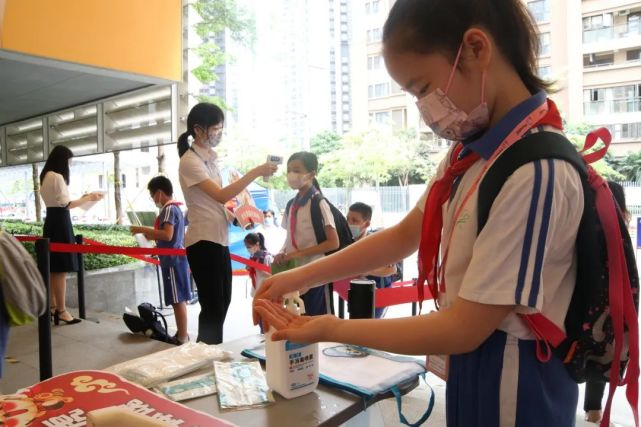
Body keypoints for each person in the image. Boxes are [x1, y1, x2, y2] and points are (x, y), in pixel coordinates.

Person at [254, 0, 584, 425]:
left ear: (476, 49)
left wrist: (329, 327)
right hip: (476, 366)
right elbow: (405, 234)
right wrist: (297, 276)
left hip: (517, 381)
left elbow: (463, 328)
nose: (424, 109)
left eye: (422, 87)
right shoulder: (469, 155)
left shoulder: (536, 169)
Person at [177, 102, 278, 344]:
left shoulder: (210, 160)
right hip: (203, 241)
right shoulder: (190, 161)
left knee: (222, 302)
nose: (219, 134)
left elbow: (215, 201)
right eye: (216, 129)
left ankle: (208, 352)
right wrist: (255, 172)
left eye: (221, 129)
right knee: (213, 306)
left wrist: (236, 216)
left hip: (217, 238)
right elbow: (221, 195)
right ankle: (206, 354)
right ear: (199, 130)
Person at [583, 181, 631, 424]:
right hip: (614, 296)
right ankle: (594, 410)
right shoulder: (618, 222)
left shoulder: (590, 220)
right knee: (605, 351)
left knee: (599, 350)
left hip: (604, 294)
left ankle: (594, 409)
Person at [40, 145, 103, 325]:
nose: (69, 165)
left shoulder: (45, 176)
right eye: (69, 162)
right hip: (61, 223)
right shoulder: (57, 176)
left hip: (51, 221)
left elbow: (60, 202)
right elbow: (66, 204)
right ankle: (62, 310)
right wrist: (89, 198)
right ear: (62, 160)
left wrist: (84, 197)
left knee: (53, 268)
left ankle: (53, 307)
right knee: (61, 269)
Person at [274, 152, 339, 316]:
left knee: (316, 320)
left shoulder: (319, 203)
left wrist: (299, 253)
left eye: (296, 170)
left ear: (311, 174)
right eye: (289, 170)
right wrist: (283, 252)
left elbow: (333, 242)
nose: (291, 175)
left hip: (316, 274)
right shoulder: (291, 205)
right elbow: (290, 237)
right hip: (295, 273)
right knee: (296, 318)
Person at [130, 176, 191, 345]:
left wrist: (142, 229)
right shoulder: (176, 208)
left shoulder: (169, 209)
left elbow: (167, 234)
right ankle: (182, 334)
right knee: (179, 299)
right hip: (175, 259)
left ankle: (181, 337)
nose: (152, 198)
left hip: (172, 261)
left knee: (177, 300)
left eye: (152, 194)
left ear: (159, 193)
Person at [347, 202, 397, 318]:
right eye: (348, 219)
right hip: (356, 292)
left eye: (354, 221)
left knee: (369, 326)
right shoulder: (347, 243)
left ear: (367, 224)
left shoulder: (376, 243)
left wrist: (368, 271)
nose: (349, 224)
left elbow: (392, 270)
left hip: (379, 294)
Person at [244, 232, 273, 333]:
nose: (248, 249)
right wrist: (250, 267)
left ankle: (267, 335)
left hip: (266, 292)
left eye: (249, 246)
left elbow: (274, 273)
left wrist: (260, 268)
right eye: (246, 247)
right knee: (259, 315)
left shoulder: (267, 257)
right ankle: (263, 334)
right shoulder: (253, 257)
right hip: (258, 290)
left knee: (267, 317)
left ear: (257, 244)